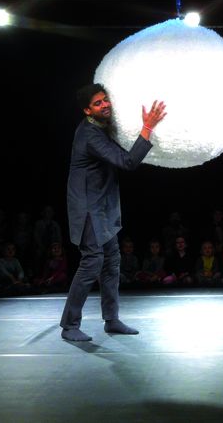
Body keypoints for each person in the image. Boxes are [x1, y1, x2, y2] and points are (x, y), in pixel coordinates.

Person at [60, 83, 166, 341]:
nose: (105, 104)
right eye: (97, 103)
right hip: (88, 210)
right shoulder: (90, 135)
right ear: (87, 110)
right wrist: (147, 127)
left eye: (105, 100)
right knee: (92, 263)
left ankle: (112, 319)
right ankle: (69, 325)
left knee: (112, 263)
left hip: (103, 209)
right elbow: (127, 162)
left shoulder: (101, 129)